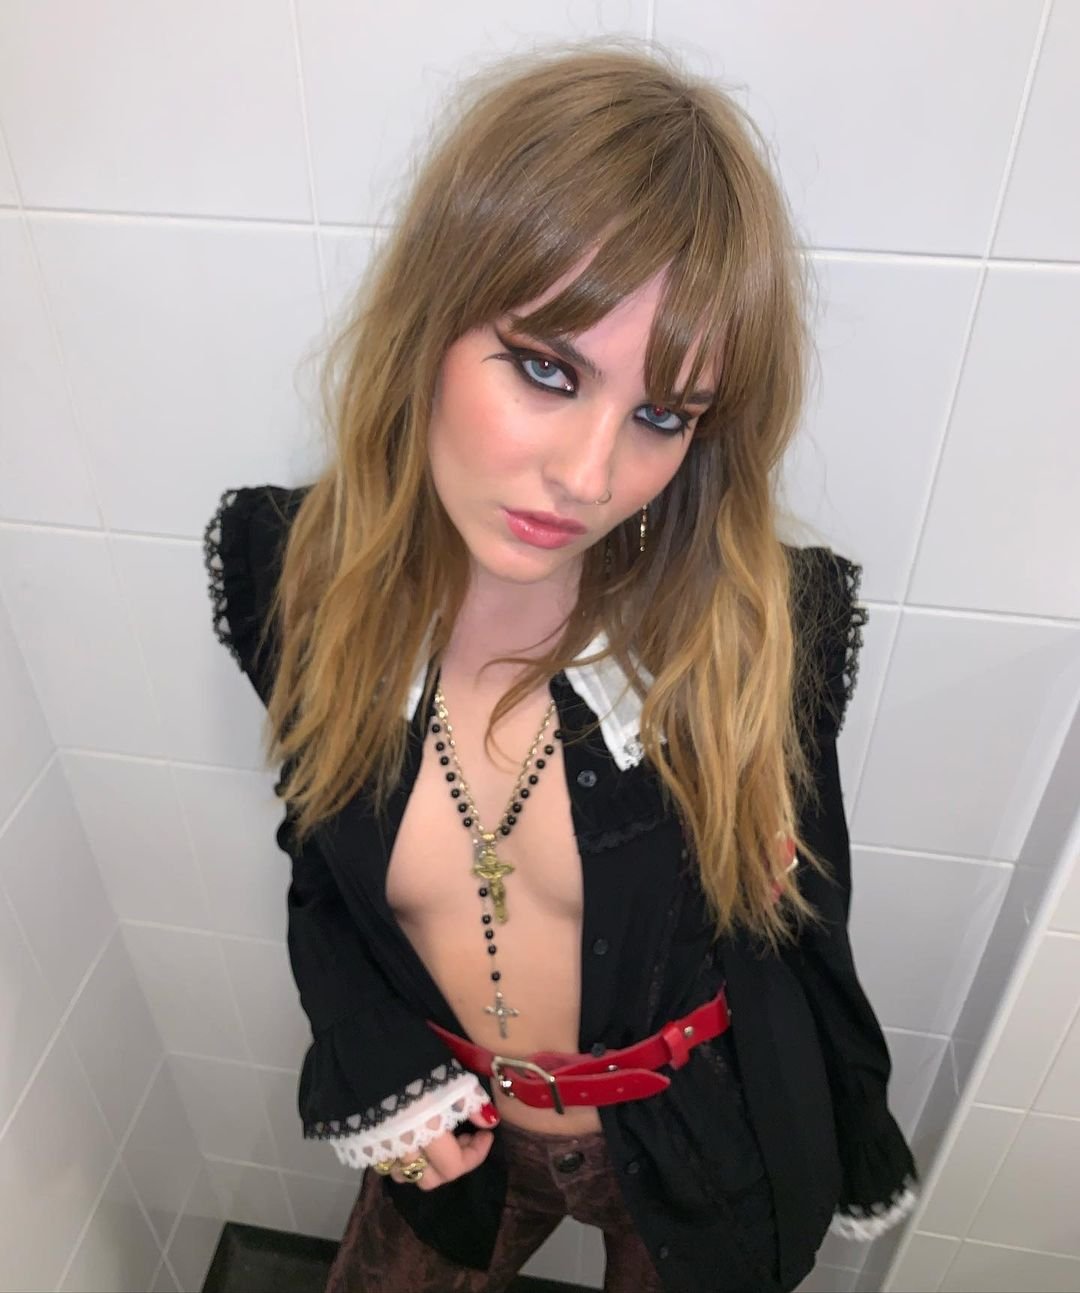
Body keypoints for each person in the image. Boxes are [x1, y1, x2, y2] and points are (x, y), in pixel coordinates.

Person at [202, 38, 918, 1293]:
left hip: (699, 1150)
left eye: (661, 415)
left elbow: (806, 933)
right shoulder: (294, 576)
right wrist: (377, 1064)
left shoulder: (754, 633)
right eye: (547, 369)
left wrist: (849, 1121)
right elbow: (321, 860)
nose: (590, 477)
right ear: (431, 320)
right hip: (461, 1138)